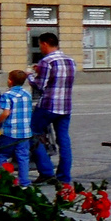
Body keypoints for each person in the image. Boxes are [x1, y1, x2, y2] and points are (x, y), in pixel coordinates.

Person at [29, 32, 76, 184]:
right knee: (64, 140)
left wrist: (29, 75)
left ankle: (46, 170)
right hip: (65, 106)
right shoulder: (70, 61)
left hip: (48, 105)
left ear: (44, 44)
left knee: (32, 132)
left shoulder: (46, 61)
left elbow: (39, 85)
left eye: (40, 45)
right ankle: (64, 176)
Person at [0, 69, 33, 185]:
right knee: (23, 157)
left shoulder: (7, 95)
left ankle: (2, 180)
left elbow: (5, 113)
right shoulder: (27, 94)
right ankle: (24, 182)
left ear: (10, 81)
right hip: (25, 131)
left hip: (9, 131)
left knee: (2, 155)